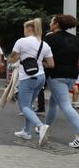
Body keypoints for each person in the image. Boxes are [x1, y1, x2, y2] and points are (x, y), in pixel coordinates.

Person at [9, 18, 54, 146]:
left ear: (29, 29)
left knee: (24, 106)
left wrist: (20, 58)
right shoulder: (44, 44)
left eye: (24, 28)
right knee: (29, 105)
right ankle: (26, 132)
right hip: (41, 77)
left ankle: (40, 127)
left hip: (27, 78)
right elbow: (51, 64)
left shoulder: (21, 42)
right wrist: (37, 62)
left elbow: (11, 59)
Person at [44, 15, 79, 148]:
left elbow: (44, 56)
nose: (50, 23)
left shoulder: (50, 38)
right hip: (72, 75)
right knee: (54, 102)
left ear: (56, 24)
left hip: (57, 75)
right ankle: (45, 128)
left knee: (65, 105)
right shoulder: (74, 39)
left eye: (52, 21)